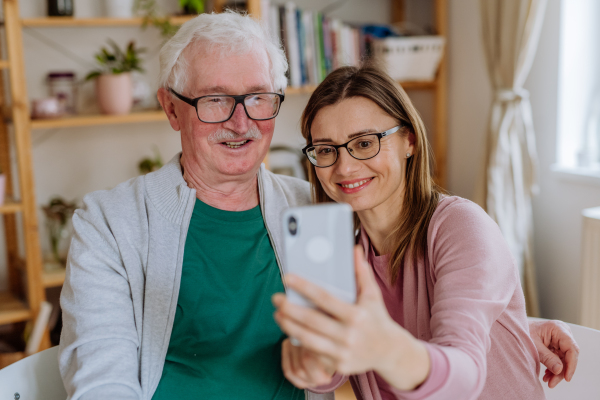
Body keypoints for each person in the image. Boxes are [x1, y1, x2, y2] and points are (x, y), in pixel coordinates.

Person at [57, 11, 576, 400]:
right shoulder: (111, 223)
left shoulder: (316, 215)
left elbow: (445, 344)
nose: (241, 123)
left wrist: (496, 321)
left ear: (409, 140)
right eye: (216, 100)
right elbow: (102, 381)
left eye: (258, 98)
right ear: (172, 108)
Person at [271, 65, 579, 399]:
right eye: (327, 150)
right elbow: (330, 371)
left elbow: (464, 374)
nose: (344, 167)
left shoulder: (461, 227)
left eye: (364, 143)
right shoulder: (346, 256)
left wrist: (387, 350)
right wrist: (313, 363)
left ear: (410, 141)